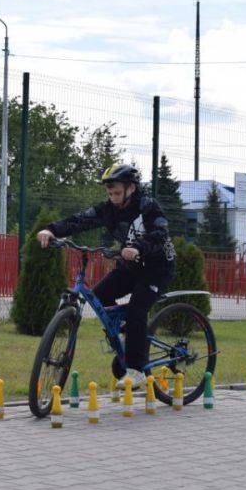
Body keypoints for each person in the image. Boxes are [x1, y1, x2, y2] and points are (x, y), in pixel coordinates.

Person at [37, 164, 175, 390]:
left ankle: (137, 370)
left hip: (157, 268)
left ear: (131, 188)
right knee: (99, 295)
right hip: (131, 265)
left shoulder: (147, 205)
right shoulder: (108, 209)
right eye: (109, 193)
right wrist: (51, 230)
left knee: (137, 310)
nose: (112, 198)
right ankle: (127, 335)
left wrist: (139, 246)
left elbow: (161, 233)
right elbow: (79, 220)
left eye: (117, 193)